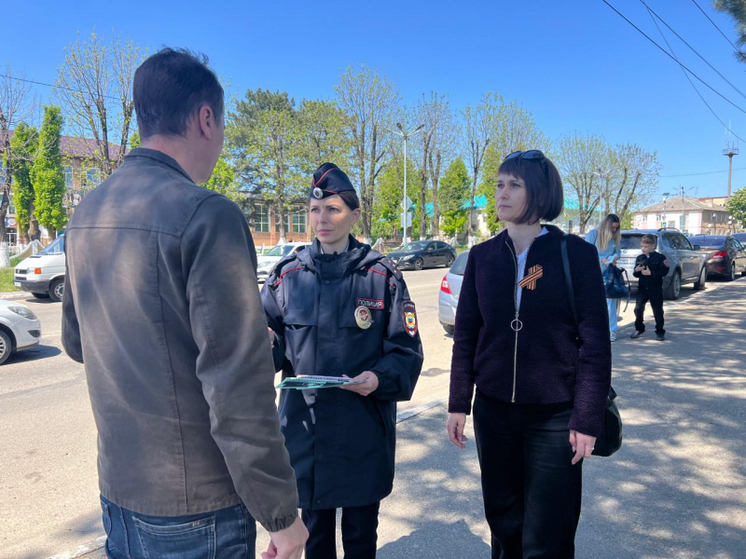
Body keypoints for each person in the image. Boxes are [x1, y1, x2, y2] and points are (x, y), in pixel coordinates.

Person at [61, 48, 307, 559]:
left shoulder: (87, 212)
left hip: (119, 490)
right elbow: (237, 389)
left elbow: (77, 342)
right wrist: (281, 515)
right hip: (198, 506)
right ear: (206, 118)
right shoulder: (206, 214)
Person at [446, 150, 611, 559]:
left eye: (514, 185)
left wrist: (587, 418)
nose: (501, 194)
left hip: (555, 416)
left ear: (539, 192)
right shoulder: (483, 257)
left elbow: (595, 343)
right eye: (499, 184)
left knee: (549, 531)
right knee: (504, 523)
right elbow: (466, 335)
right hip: (493, 412)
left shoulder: (576, 254)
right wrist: (458, 403)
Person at [261, 162, 424, 559]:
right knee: (314, 536)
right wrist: (261, 343)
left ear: (354, 215)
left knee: (361, 536)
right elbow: (270, 348)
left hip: (362, 431)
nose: (322, 219)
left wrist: (378, 379)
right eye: (315, 210)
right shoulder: (287, 276)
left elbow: (406, 351)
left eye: (332, 209)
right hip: (306, 431)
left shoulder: (381, 276)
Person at [585, 214, 622, 341]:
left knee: (611, 302)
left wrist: (615, 257)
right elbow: (585, 252)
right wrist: (602, 259)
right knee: (593, 303)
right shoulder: (594, 234)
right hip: (593, 273)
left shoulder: (615, 237)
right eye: (612, 227)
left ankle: (612, 330)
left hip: (609, 274)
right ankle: (594, 330)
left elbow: (618, 252)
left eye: (616, 228)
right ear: (606, 225)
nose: (614, 230)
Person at [631, 233, 669, 341]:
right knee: (638, 309)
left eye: (646, 246)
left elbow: (664, 271)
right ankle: (639, 328)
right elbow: (636, 274)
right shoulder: (640, 257)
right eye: (642, 246)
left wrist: (651, 273)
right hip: (642, 288)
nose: (643, 248)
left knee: (657, 310)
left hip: (655, 288)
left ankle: (660, 331)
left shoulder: (660, 258)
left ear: (653, 246)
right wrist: (636, 270)